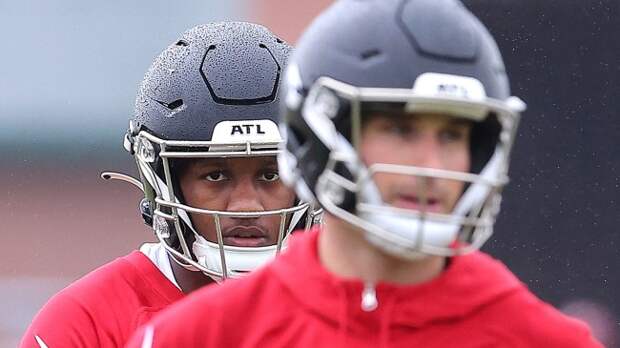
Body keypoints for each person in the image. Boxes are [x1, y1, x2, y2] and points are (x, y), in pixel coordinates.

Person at [126, 0, 603, 347]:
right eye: (399, 128)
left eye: (453, 135)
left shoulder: (549, 340)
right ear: (319, 133)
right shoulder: (195, 337)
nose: (432, 166)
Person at [20, 21, 316, 348]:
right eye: (215, 175)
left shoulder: (352, 310)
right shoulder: (88, 323)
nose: (246, 204)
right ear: (166, 181)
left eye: (270, 175)